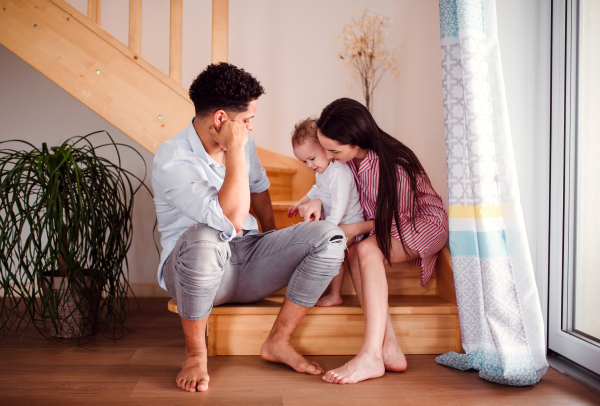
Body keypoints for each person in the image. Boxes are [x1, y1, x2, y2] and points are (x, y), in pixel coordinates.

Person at [152, 64, 346, 393]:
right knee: (206, 235)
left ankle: (278, 342)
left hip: (248, 259)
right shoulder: (173, 159)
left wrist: (272, 238)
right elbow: (229, 220)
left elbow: (258, 189)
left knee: (330, 236)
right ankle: (195, 354)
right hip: (197, 271)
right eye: (246, 121)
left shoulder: (244, 144)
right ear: (221, 120)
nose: (251, 127)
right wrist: (236, 149)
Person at [303, 98, 448, 384]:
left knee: (366, 249)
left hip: (422, 224)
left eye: (334, 150)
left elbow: (396, 219)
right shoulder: (351, 160)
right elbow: (332, 190)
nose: (329, 157)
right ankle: (389, 346)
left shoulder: (394, 163)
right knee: (357, 251)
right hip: (384, 225)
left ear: (356, 141)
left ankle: (371, 356)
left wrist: (354, 227)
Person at [287, 118, 364, 307]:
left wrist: (329, 229)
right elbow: (317, 190)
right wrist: (300, 202)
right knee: (324, 249)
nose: (309, 165)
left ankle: (335, 293)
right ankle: (325, 289)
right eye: (303, 161)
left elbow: (340, 203)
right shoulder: (322, 171)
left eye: (311, 158)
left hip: (349, 221)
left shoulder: (339, 173)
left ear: (326, 148)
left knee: (331, 250)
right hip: (336, 223)